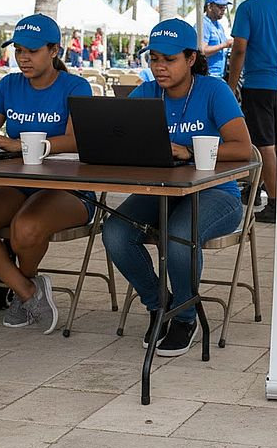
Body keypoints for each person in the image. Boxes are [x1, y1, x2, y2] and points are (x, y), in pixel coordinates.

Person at [102, 19, 251, 357]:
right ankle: (160, 305)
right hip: (161, 193)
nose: (160, 67)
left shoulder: (214, 90)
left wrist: (187, 151)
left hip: (217, 194)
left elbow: (243, 148)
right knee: (115, 232)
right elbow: (118, 138)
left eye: (169, 59)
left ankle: (184, 317)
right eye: (154, 58)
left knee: (178, 236)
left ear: (191, 58)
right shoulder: (145, 93)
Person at [0, 14, 95, 334]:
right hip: (19, 185)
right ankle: (27, 291)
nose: (23, 58)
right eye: (18, 50)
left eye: (32, 51)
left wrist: (21, 144)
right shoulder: (8, 84)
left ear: (54, 51)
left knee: (25, 227)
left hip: (69, 188)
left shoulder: (75, 86)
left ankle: (22, 289)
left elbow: (77, 139)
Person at [228, 0, 277, 223]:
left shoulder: (248, 7)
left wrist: (230, 86)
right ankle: (254, 189)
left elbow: (239, 48)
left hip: (259, 84)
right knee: (275, 145)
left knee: (264, 146)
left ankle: (275, 203)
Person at [201, 0, 233, 78]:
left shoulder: (219, 26)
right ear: (209, 7)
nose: (223, 10)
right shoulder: (203, 24)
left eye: (224, 7)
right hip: (209, 75)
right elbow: (202, 51)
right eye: (220, 7)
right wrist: (224, 45)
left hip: (220, 75)